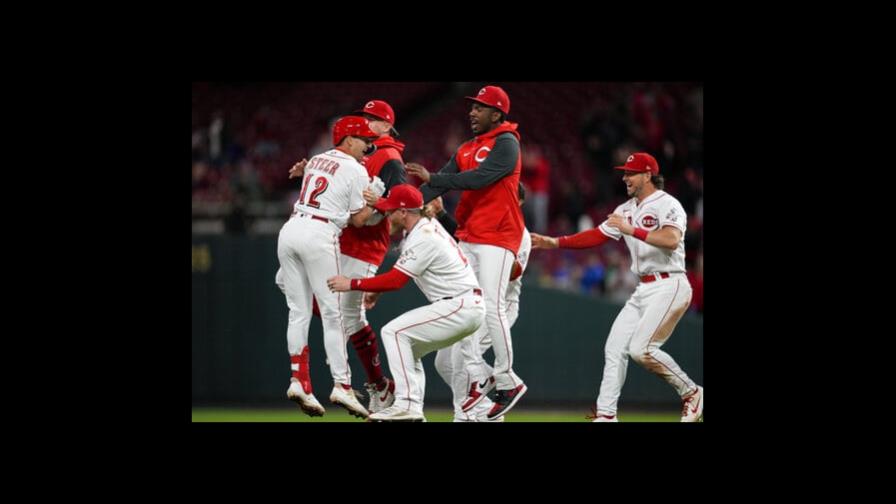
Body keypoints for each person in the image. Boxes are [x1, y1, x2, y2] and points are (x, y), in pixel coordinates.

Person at [531, 152, 703, 422]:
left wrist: (631, 229)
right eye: (624, 173)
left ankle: (692, 392)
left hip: (670, 283)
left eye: (631, 173)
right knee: (614, 349)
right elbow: (596, 235)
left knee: (641, 350)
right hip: (643, 289)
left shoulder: (668, 204)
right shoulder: (626, 209)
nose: (625, 178)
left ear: (648, 175)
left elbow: (670, 239)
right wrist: (555, 242)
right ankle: (607, 415)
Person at [406, 85, 527, 419]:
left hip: (499, 236)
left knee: (491, 308)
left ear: (497, 114)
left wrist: (436, 177)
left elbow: (480, 178)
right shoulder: (467, 147)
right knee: (469, 308)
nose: (472, 112)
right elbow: (440, 182)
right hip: (470, 236)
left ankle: (507, 379)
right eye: (472, 107)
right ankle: (480, 377)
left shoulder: (507, 143)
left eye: (480, 108)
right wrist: (406, 202)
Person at [286, 100, 407, 413]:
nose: (367, 123)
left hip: (364, 243)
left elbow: (400, 205)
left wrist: (379, 206)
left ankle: (375, 385)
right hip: (336, 237)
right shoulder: (355, 156)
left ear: (388, 126)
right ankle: (354, 384)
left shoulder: (390, 158)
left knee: (342, 315)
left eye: (373, 119)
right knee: (330, 311)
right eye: (364, 118)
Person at [327, 184, 486, 422]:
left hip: (460, 305)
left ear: (403, 213)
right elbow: (400, 272)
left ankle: (407, 404)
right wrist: (376, 292)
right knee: (408, 349)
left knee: (393, 332)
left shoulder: (424, 236)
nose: (387, 216)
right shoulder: (420, 228)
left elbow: (397, 281)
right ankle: (413, 411)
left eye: (391, 211)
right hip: (461, 304)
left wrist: (352, 283)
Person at [278, 116, 379, 419]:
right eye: (363, 141)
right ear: (348, 140)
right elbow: (360, 220)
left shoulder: (319, 158)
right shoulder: (356, 169)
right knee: (334, 314)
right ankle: (342, 384)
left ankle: (299, 379)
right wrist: (376, 198)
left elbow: (315, 178)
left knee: (298, 311)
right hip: (320, 235)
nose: (368, 147)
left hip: (290, 229)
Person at [429, 183, 531, 421]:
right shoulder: (483, 225)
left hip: (498, 306)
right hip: (472, 304)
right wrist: (443, 216)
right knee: (443, 362)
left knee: (459, 360)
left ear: (519, 203)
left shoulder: (520, 233)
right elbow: (463, 242)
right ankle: (488, 413)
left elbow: (514, 272)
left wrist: (496, 254)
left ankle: (463, 416)